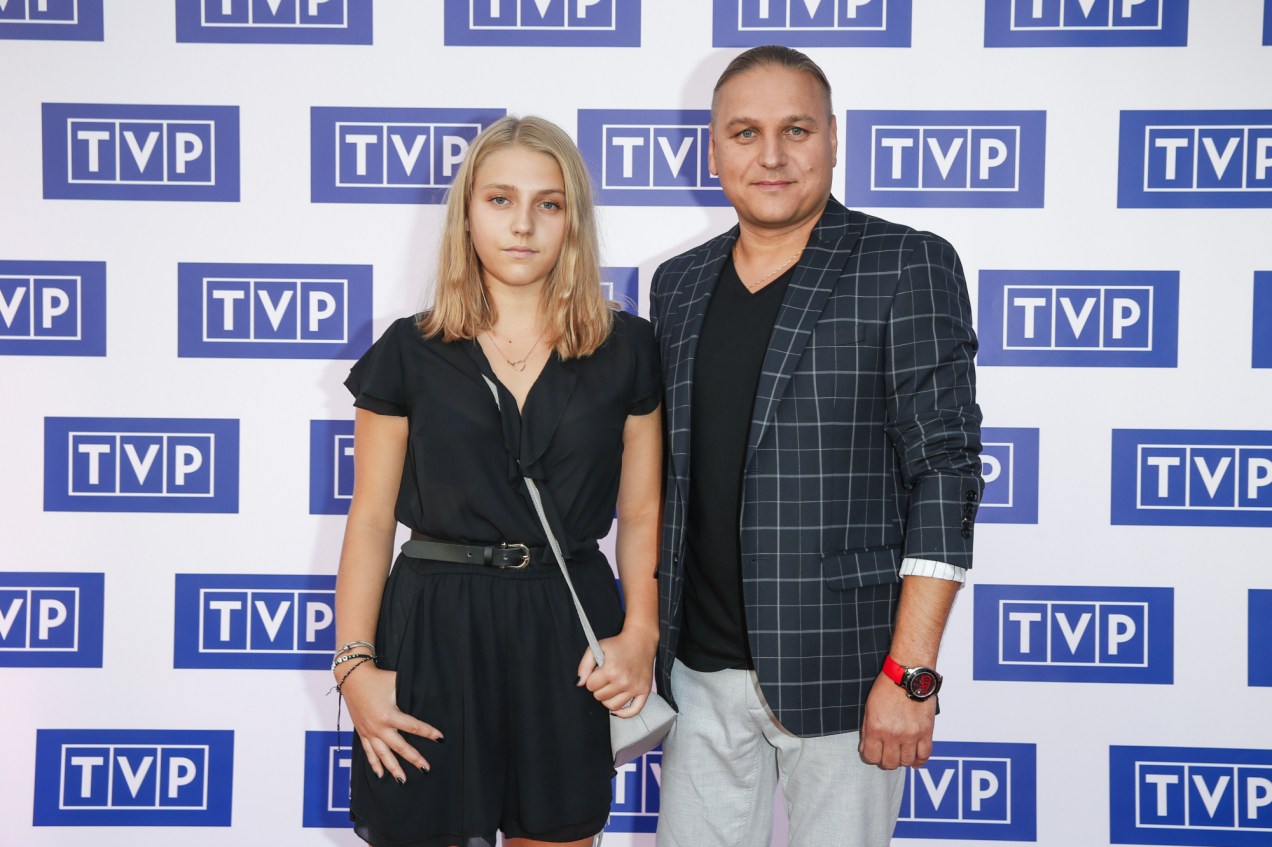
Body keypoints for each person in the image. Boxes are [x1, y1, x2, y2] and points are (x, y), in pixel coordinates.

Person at [649, 46, 983, 847]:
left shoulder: (905, 262)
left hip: (849, 674)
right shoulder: (677, 284)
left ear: (834, 139)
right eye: (745, 132)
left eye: (795, 130)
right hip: (698, 672)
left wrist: (911, 673)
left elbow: (945, 470)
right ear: (713, 151)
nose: (770, 155)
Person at [331, 115, 663, 847]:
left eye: (549, 203)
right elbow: (371, 519)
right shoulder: (408, 350)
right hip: (434, 627)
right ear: (467, 212)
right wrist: (354, 664)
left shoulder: (628, 348)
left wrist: (640, 632)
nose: (523, 224)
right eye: (500, 199)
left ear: (574, 219)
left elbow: (642, 511)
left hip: (568, 630)